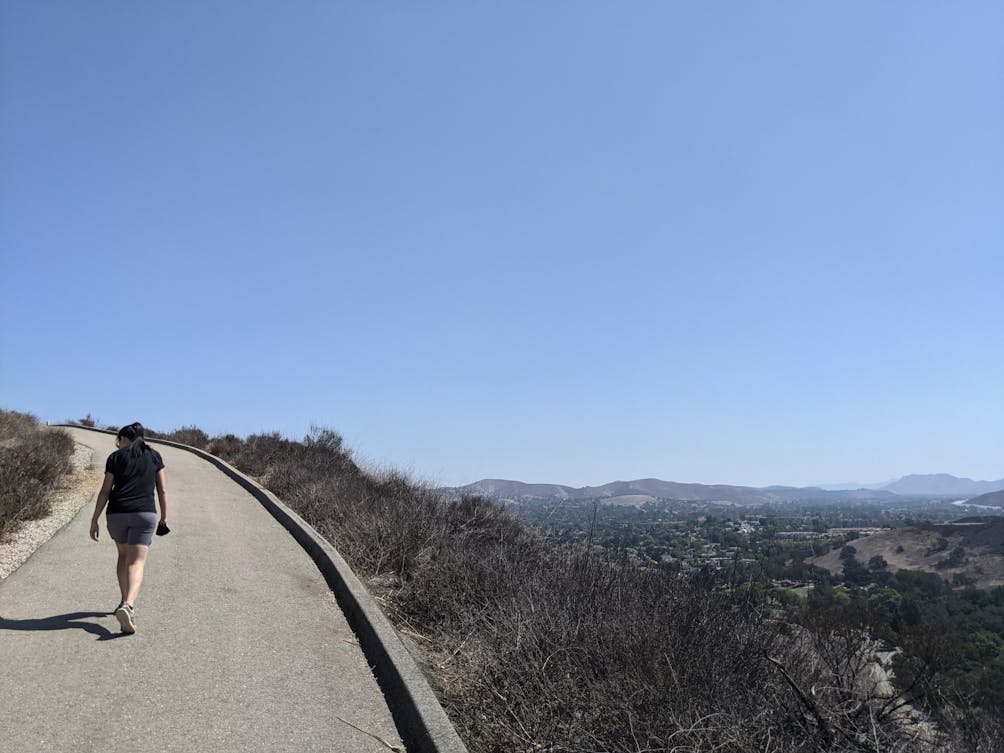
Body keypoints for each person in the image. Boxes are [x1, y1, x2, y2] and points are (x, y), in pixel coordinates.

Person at [89, 422, 168, 634]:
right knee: (137, 561)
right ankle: (128, 605)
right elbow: (162, 490)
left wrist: (94, 519)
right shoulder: (154, 456)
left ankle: (123, 601)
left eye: (120, 439)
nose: (118, 443)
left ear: (125, 438)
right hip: (144, 514)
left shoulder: (115, 458)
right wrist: (164, 517)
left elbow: (105, 491)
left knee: (123, 556)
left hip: (116, 514)